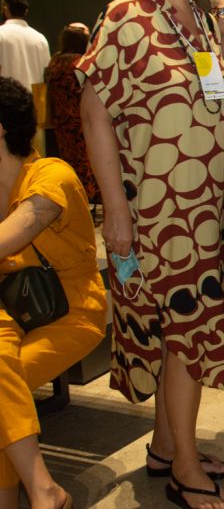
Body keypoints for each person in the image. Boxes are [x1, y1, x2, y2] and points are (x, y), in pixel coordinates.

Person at [77, 0, 224, 509]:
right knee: (184, 337)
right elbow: (95, 116)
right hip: (155, 211)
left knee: (189, 328)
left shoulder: (196, 19)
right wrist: (114, 212)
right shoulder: (125, 16)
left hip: (202, 210)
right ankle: (186, 472)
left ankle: (166, 449)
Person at [0, 77, 107, 509]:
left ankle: (38, 492)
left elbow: (13, 235)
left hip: (70, 311)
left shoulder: (51, 176)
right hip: (11, 311)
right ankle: (42, 491)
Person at [45, 26, 98, 201]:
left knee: (69, 160)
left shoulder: (55, 62)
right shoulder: (82, 63)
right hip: (82, 119)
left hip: (61, 121)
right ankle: (87, 197)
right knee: (88, 160)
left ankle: (72, 195)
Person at [0, 0, 49, 89]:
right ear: (26, 11)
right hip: (35, 100)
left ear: (5, 9)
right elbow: (46, 74)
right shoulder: (40, 38)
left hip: (7, 99)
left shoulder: (1, 33)